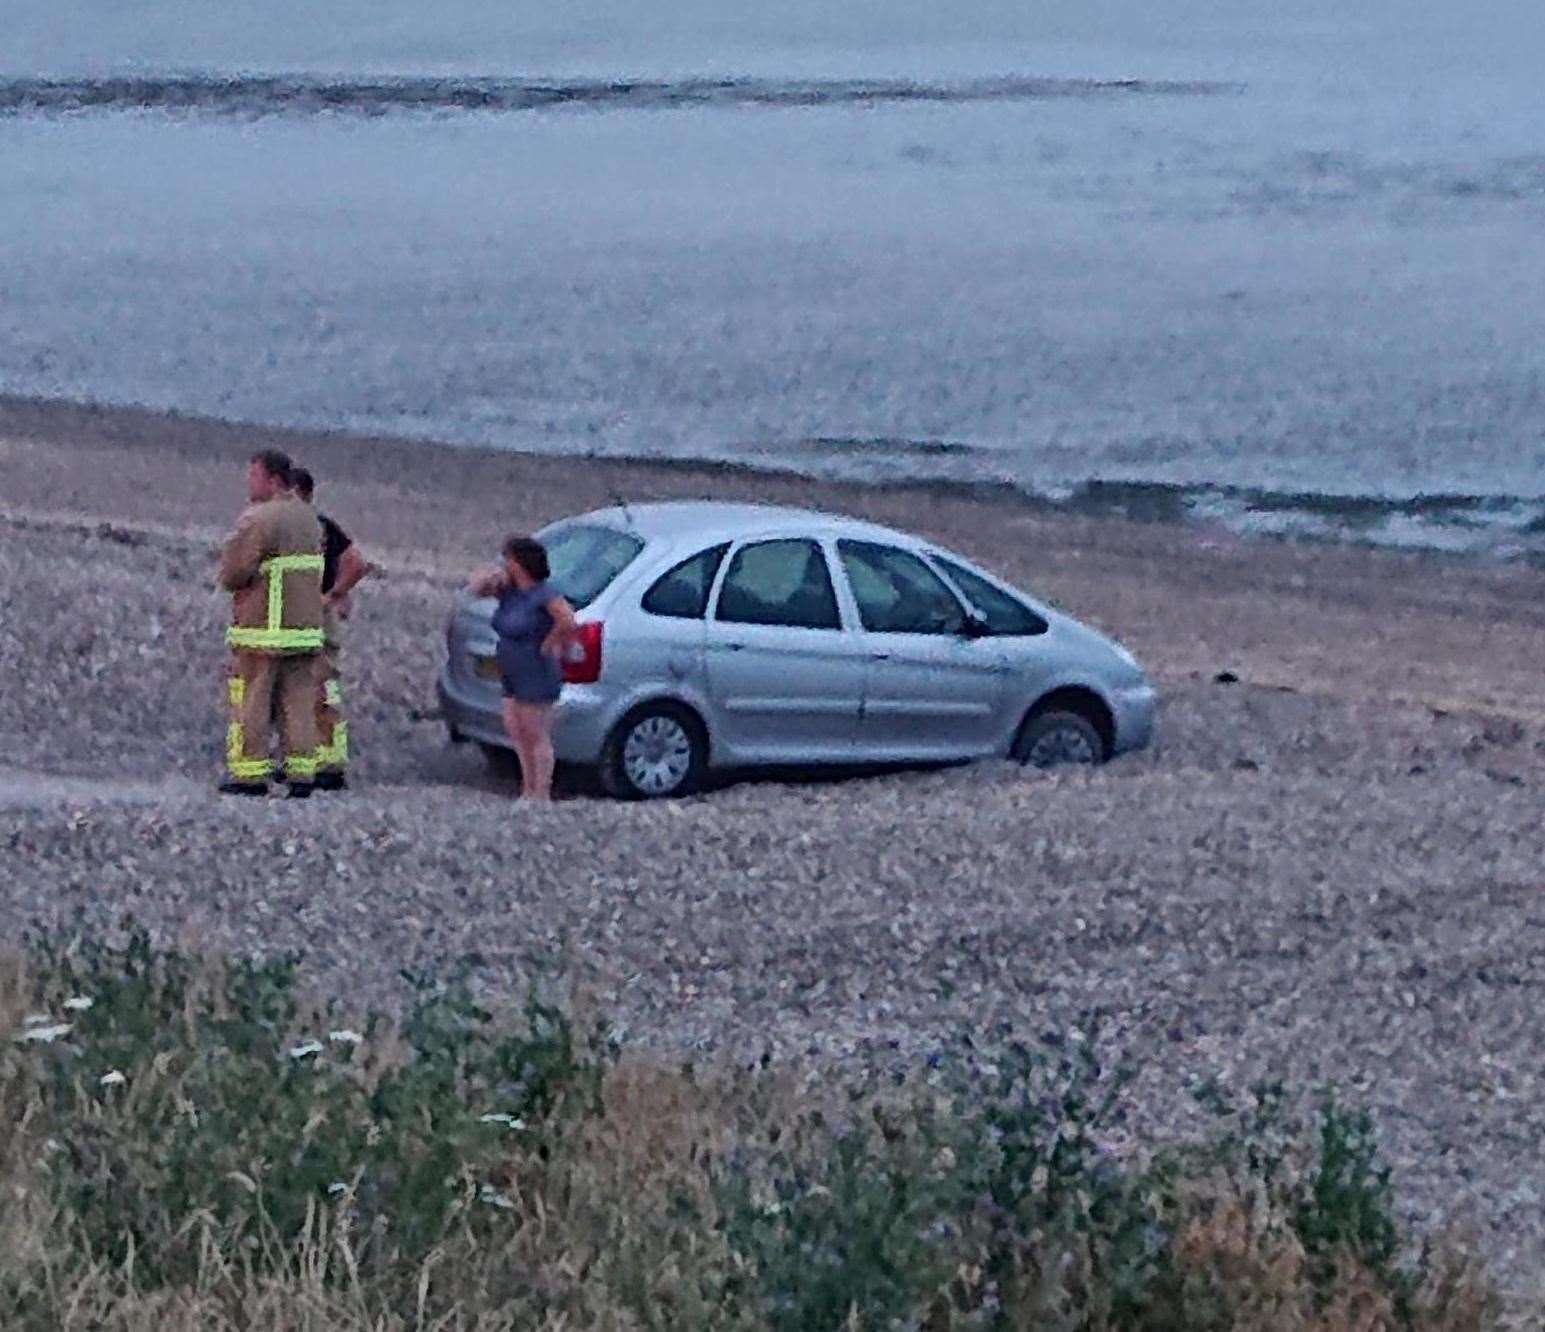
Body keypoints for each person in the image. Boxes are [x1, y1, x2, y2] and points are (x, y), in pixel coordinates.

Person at [216, 449, 325, 797]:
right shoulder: (310, 518)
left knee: (254, 700)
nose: (249, 483)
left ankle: (250, 774)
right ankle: (302, 774)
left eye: (254, 476)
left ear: (273, 479)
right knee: (299, 702)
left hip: (265, 627)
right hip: (305, 627)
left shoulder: (259, 519)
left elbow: (233, 572)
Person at [467, 536, 577, 801]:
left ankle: (541, 791)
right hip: (511, 668)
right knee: (516, 729)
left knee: (535, 732)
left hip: (535, 670)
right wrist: (490, 575)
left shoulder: (544, 594)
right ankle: (527, 788)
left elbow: (567, 620)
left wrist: (549, 643)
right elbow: (476, 589)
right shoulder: (510, 592)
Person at [290, 466, 372, 791]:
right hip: (294, 614)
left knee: (323, 688)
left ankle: (331, 763)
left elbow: (356, 562)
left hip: (318, 615)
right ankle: (305, 756)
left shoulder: (322, 528)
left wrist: (334, 594)